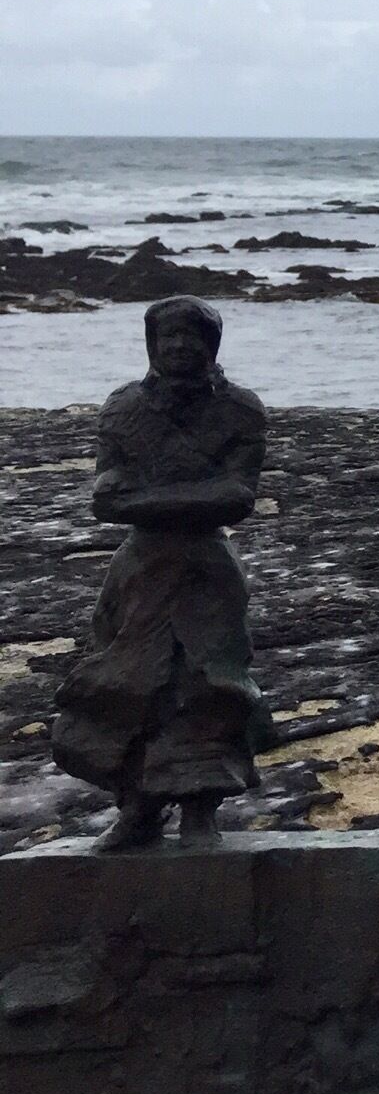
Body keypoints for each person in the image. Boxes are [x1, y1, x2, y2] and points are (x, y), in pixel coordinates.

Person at [53, 296, 274, 850]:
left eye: (192, 337)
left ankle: (202, 809)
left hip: (207, 570)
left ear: (211, 344)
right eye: (168, 337)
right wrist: (186, 498)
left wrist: (149, 498)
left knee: (211, 683)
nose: (179, 347)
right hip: (141, 568)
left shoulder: (241, 410)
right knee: (127, 681)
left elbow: (235, 497)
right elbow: (106, 500)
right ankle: (138, 808)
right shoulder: (123, 408)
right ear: (151, 343)